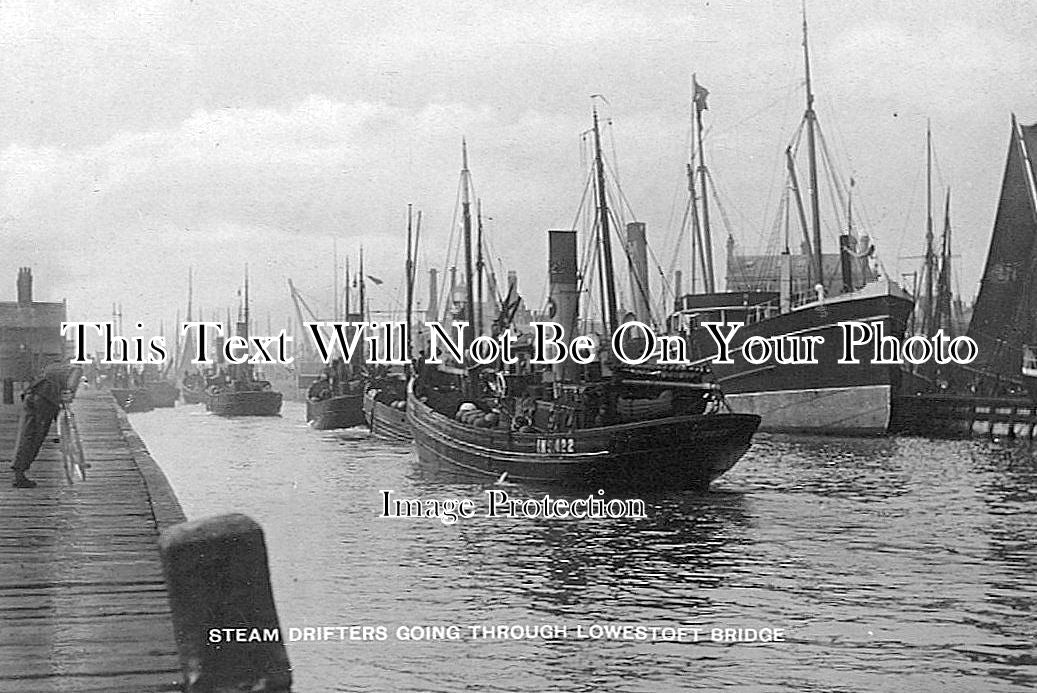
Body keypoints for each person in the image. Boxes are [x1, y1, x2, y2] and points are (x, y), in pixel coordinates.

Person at [11, 363, 75, 488]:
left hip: (33, 395)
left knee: (25, 434)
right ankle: (19, 473)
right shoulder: (73, 372)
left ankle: (18, 471)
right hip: (45, 399)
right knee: (34, 438)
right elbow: (66, 396)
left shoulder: (56, 368)